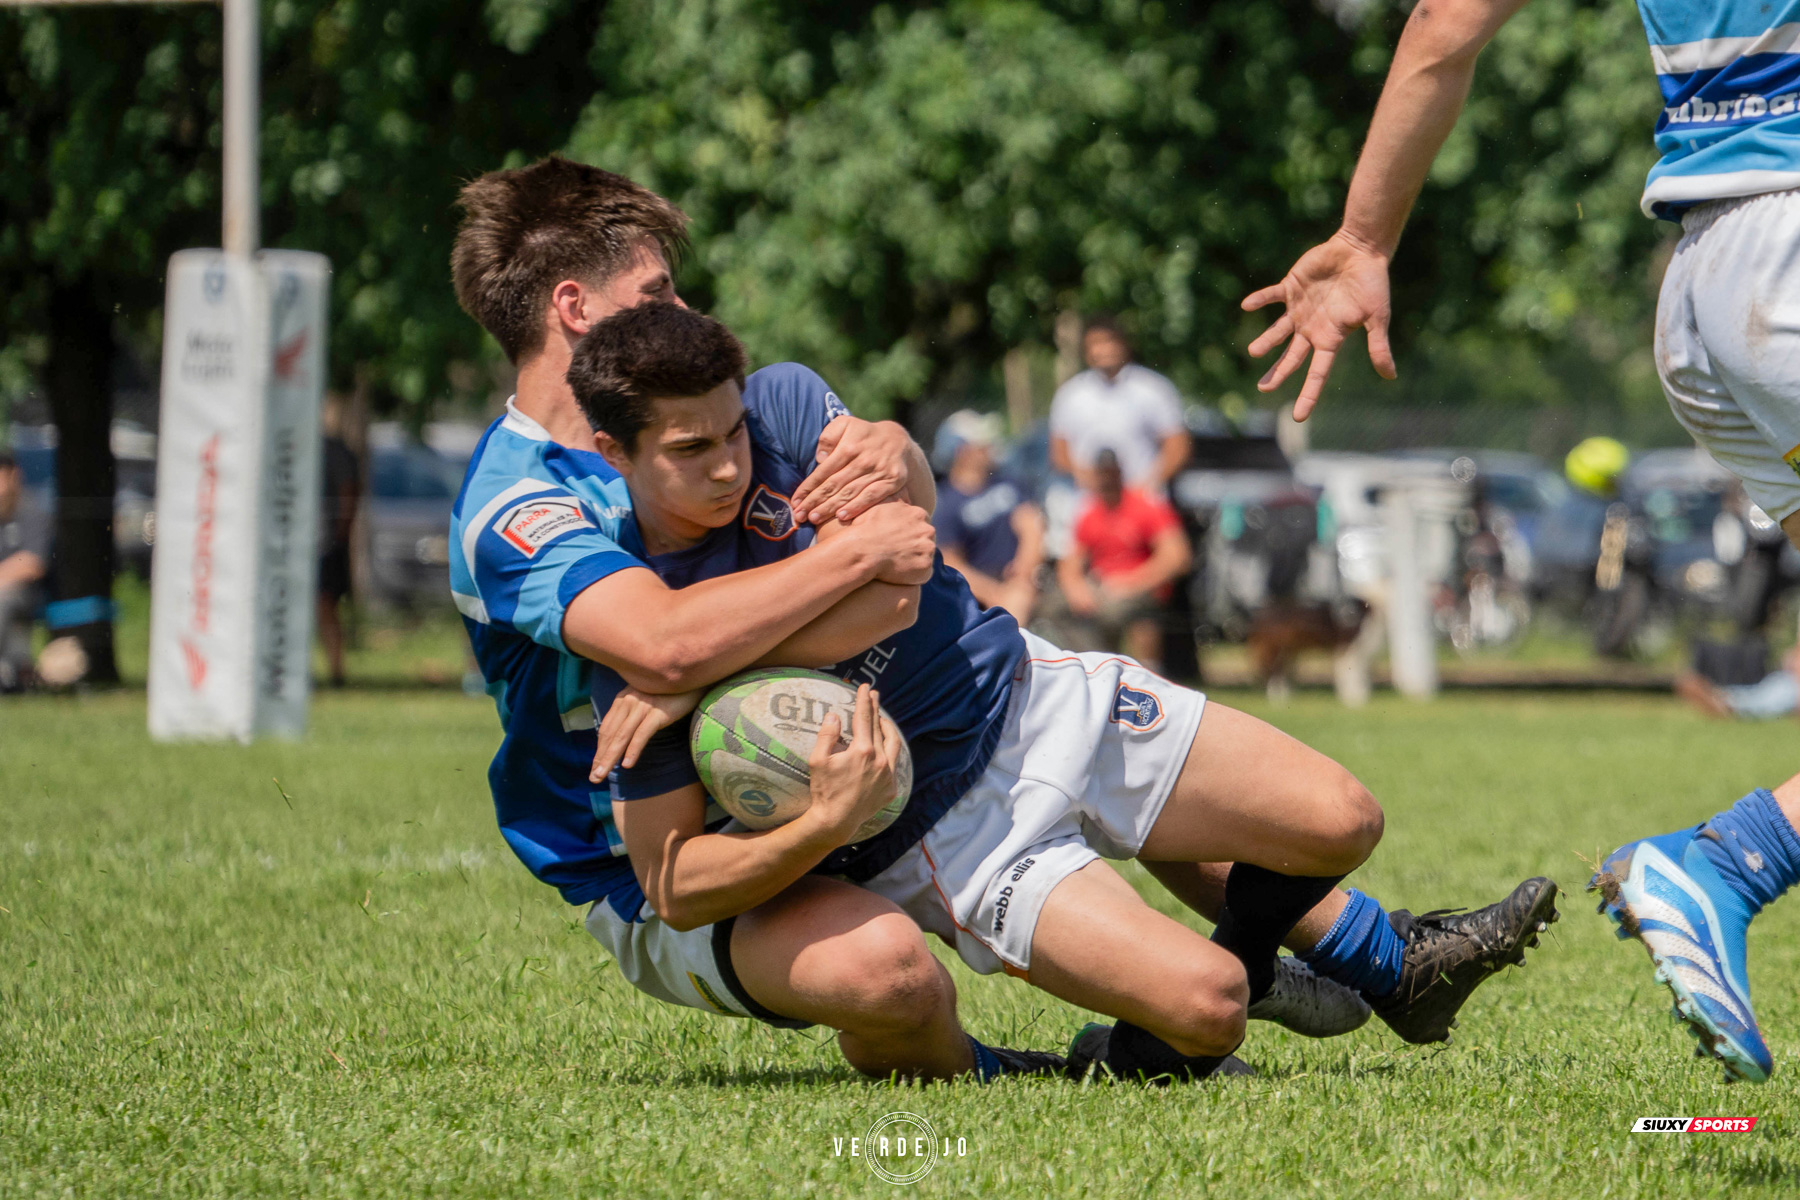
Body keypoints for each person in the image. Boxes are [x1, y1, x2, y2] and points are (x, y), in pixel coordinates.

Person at [449, 156, 1555, 1086]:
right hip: (689, 844)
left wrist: (900, 463)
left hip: (973, 697)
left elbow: (891, 552)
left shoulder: (726, 400)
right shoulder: (523, 501)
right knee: (908, 973)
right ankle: (1062, 1050)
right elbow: (664, 645)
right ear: (573, 310)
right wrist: (716, 656)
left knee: (1321, 818)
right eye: (659, 289)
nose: (687, 314)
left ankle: (1373, 959)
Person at [1243, 0, 1800, 1083]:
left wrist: (1364, 238)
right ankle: (1728, 864)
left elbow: (1445, 23)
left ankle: (1732, 862)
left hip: (1704, 281)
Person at [1055, 450, 1192, 672]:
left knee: (1114, 610)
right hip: (1102, 587)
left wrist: (1131, 582)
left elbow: (1178, 557)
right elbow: (1070, 562)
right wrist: (1075, 587)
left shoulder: (1145, 505)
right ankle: (1093, 668)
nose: (1106, 479)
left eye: (1111, 473)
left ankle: (1141, 673)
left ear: (1120, 473)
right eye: (1101, 474)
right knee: (1056, 606)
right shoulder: (1090, 512)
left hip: (1141, 589)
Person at [1049, 317, 1191, 494]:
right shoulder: (1070, 395)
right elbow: (1060, 454)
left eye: (1109, 341)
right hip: (1089, 504)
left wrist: (1148, 484)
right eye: (1096, 343)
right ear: (1085, 350)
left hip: (1142, 500)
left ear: (1124, 345)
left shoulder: (1153, 389)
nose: (1104, 349)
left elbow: (1177, 446)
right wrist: (1090, 481)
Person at [932, 410, 1044, 625]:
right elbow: (952, 563)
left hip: (1024, 577)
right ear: (962, 452)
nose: (989, 446)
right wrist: (996, 594)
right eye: (980, 443)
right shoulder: (947, 504)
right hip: (986, 589)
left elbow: (1031, 526)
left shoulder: (1006, 481)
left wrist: (1023, 572)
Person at [0, 452, 50, 692]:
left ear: (13, 476)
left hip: (27, 595)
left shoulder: (30, 512)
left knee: (3, 600)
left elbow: (32, 563)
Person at [317, 419, 360, 688]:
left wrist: (340, 536)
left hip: (325, 543)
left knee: (325, 605)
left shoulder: (332, 450)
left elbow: (348, 491)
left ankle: (336, 672)